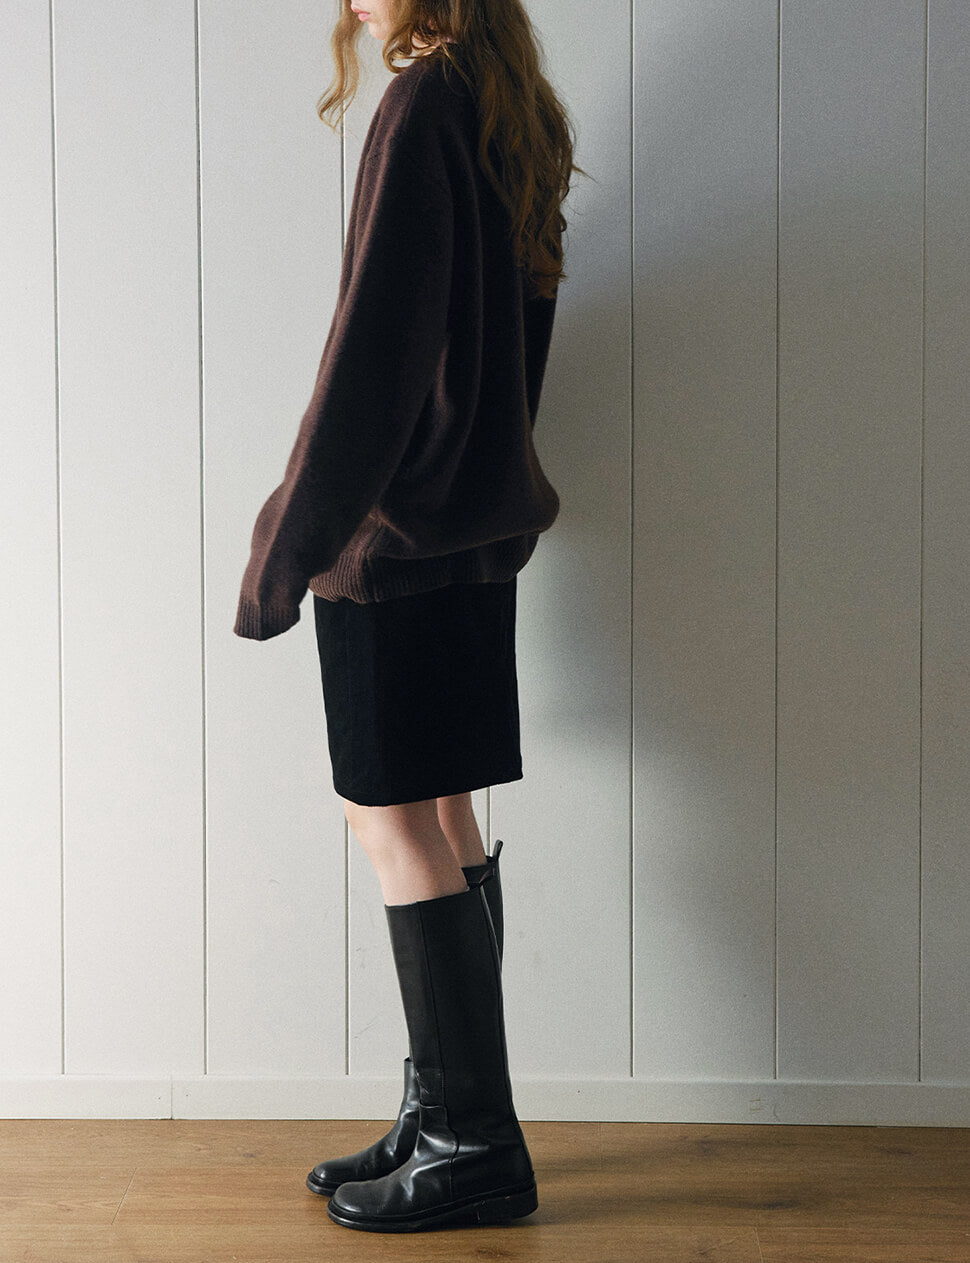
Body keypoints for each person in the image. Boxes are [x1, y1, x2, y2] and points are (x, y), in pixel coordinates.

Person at [233, 0, 578, 1234]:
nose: (346, 0)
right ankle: (444, 1112)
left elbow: (374, 350)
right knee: (440, 813)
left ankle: (471, 1144)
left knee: (388, 818)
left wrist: (291, 541)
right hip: (473, 531)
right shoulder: (504, 103)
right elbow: (516, 339)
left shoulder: (421, 101)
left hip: (401, 535)